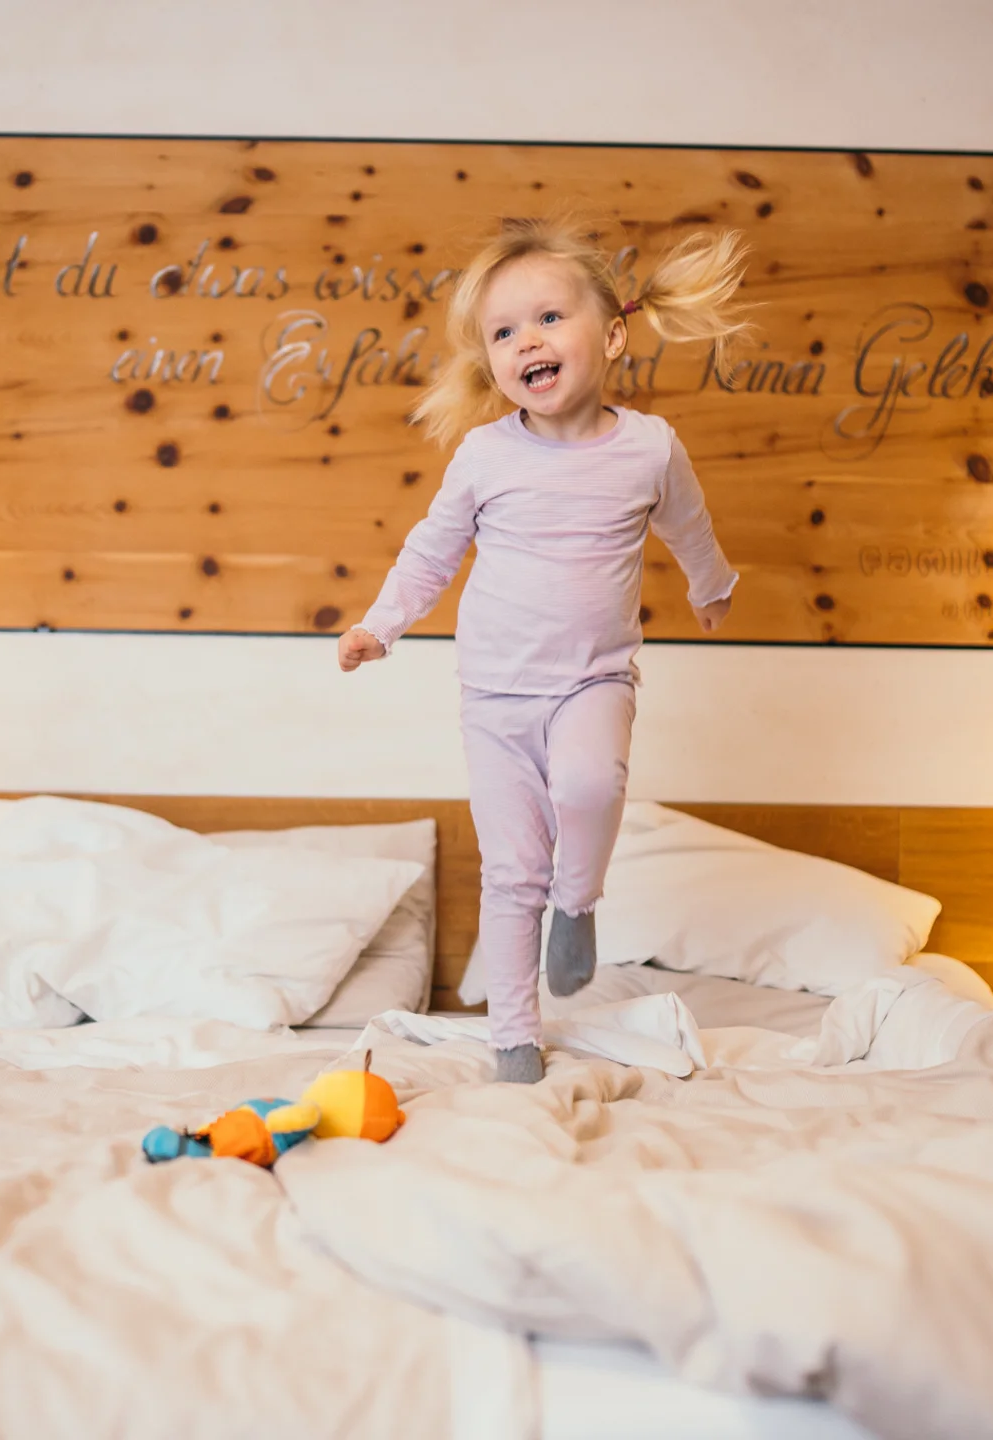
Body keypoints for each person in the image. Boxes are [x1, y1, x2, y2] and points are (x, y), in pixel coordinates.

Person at [338, 217, 750, 1083]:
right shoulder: (485, 456)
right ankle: (514, 1034)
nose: (527, 341)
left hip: (595, 678)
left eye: (548, 320)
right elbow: (431, 550)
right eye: (503, 332)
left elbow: (689, 526)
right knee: (512, 865)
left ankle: (580, 901)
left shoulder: (650, 448)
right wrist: (382, 623)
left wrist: (711, 587)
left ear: (612, 333)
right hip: (494, 698)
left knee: (591, 783)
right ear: (492, 362)